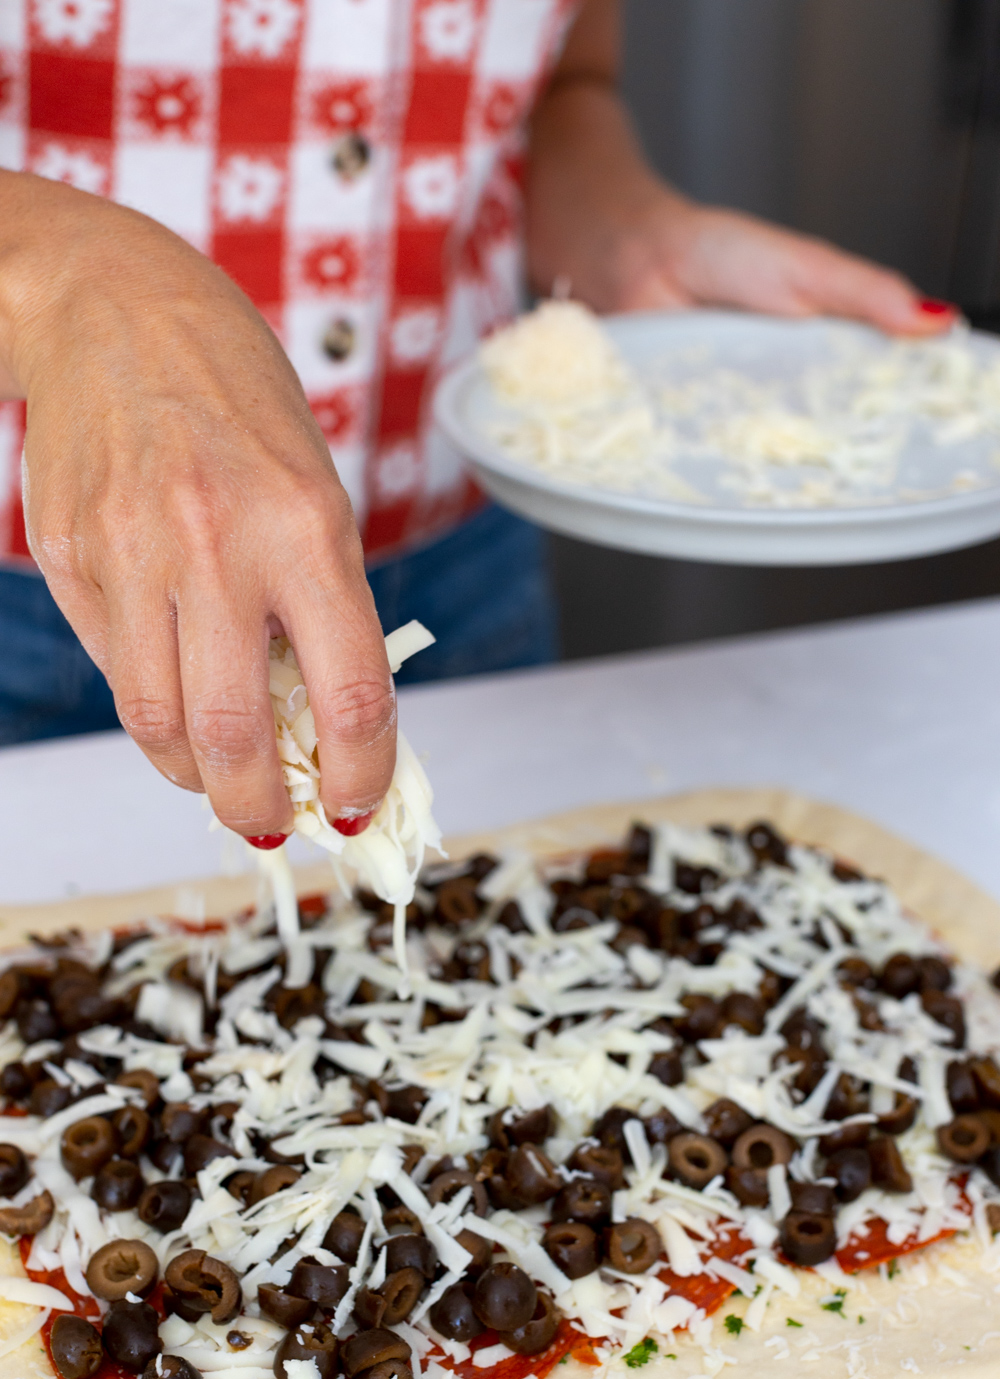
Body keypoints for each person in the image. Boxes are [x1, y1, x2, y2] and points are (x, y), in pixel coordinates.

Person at [0, 0, 953, 841]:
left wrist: (619, 229)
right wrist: (71, 291)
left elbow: (564, 80)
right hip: (35, 616)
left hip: (461, 577)